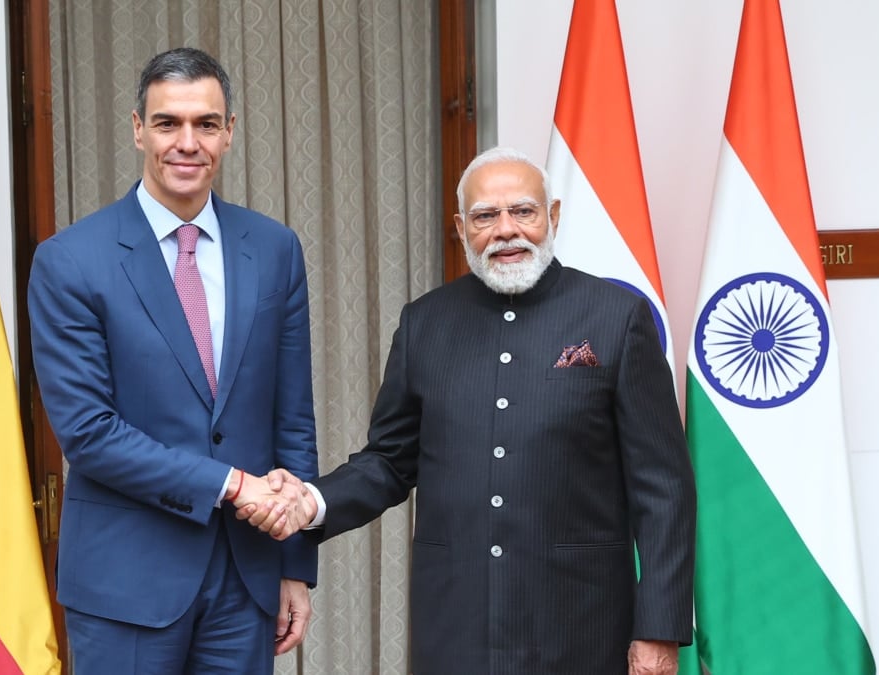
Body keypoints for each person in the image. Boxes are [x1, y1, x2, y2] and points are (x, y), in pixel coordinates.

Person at [243, 146, 696, 674]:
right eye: (486, 216)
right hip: (455, 629)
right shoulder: (425, 324)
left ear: (552, 217)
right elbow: (388, 462)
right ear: (462, 228)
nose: (506, 230)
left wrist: (658, 630)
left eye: (523, 211)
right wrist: (311, 502)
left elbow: (662, 486)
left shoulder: (618, 318)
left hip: (582, 626)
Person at [28, 47, 318, 675]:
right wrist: (232, 483)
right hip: (126, 584)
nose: (187, 143)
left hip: (247, 579)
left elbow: (292, 418)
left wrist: (295, 562)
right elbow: (88, 433)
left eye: (205, 124)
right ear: (138, 129)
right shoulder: (70, 261)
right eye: (168, 123)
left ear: (230, 132)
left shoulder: (273, 250)